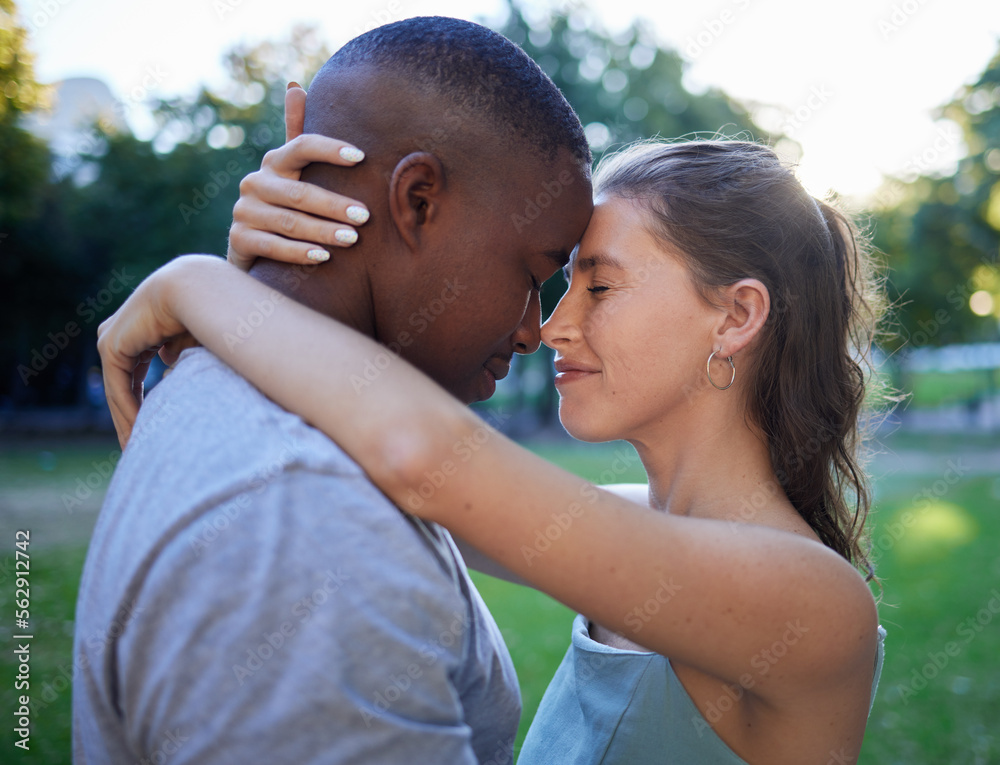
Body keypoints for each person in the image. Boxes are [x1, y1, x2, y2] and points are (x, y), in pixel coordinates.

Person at [98, 135, 888, 764]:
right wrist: (289, 262)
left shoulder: (811, 604)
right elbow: (377, 447)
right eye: (563, 282)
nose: (551, 325)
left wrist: (197, 284)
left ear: (736, 316)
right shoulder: (635, 529)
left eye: (599, 287)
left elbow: (422, 456)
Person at [72, 17, 593, 765]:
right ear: (416, 200)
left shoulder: (305, 425)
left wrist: (209, 284)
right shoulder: (305, 520)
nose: (533, 329)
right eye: (532, 273)